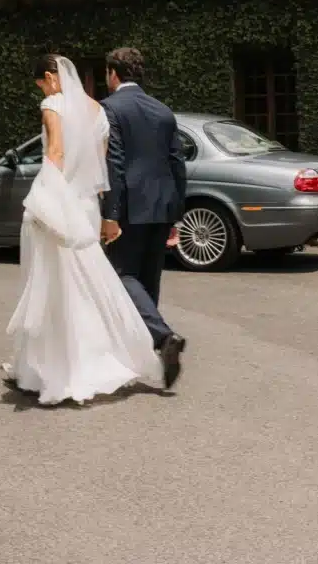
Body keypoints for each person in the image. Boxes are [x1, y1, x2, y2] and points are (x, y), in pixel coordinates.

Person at [3, 54, 163, 405]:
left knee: (55, 284)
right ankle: (97, 356)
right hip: (88, 206)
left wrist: (45, 196)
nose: (43, 91)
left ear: (51, 78)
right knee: (85, 283)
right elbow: (102, 166)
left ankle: (54, 367)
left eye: (41, 85)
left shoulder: (53, 104)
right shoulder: (98, 111)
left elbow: (56, 152)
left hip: (62, 201)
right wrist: (108, 215)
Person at [101, 47, 187, 389]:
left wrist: (111, 214)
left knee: (121, 274)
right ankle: (152, 357)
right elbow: (177, 164)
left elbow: (115, 164)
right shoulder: (163, 110)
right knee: (148, 283)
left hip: (130, 208)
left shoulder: (110, 108)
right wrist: (176, 215)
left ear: (114, 73)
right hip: (162, 206)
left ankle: (163, 337)